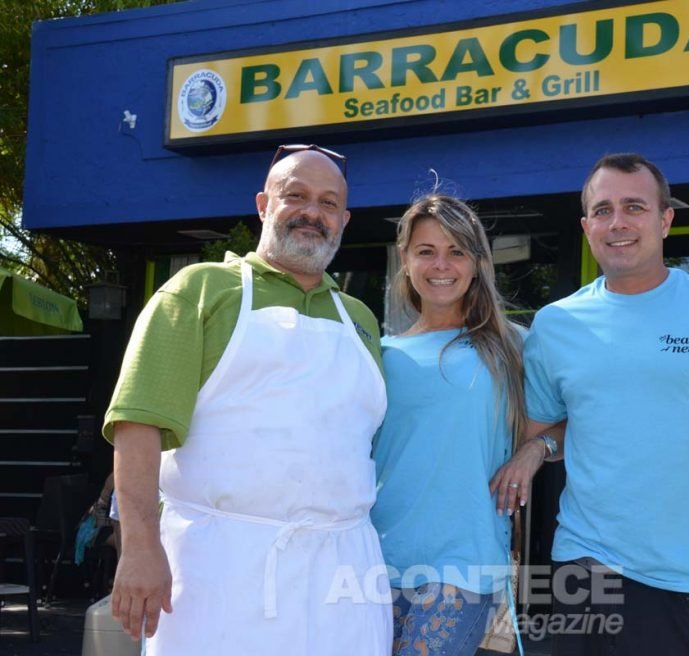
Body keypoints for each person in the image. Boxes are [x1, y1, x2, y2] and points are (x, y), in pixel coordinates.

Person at [501, 153, 689, 656]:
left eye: (634, 207)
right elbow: (547, 432)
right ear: (585, 226)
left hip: (683, 585)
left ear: (665, 220)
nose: (617, 223)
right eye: (602, 210)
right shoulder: (556, 324)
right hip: (580, 576)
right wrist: (536, 450)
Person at [102, 145, 392, 655]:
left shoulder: (361, 319)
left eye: (328, 203)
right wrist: (141, 548)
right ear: (263, 204)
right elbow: (136, 426)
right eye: (295, 196)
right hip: (219, 569)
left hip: (345, 571)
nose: (312, 213)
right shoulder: (199, 290)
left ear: (344, 220)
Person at [371, 194, 554, 655]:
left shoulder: (513, 347)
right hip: (372, 558)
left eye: (457, 251)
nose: (441, 265)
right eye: (426, 251)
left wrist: (533, 452)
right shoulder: (379, 354)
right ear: (406, 261)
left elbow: (579, 421)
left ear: (477, 264)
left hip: (464, 564)